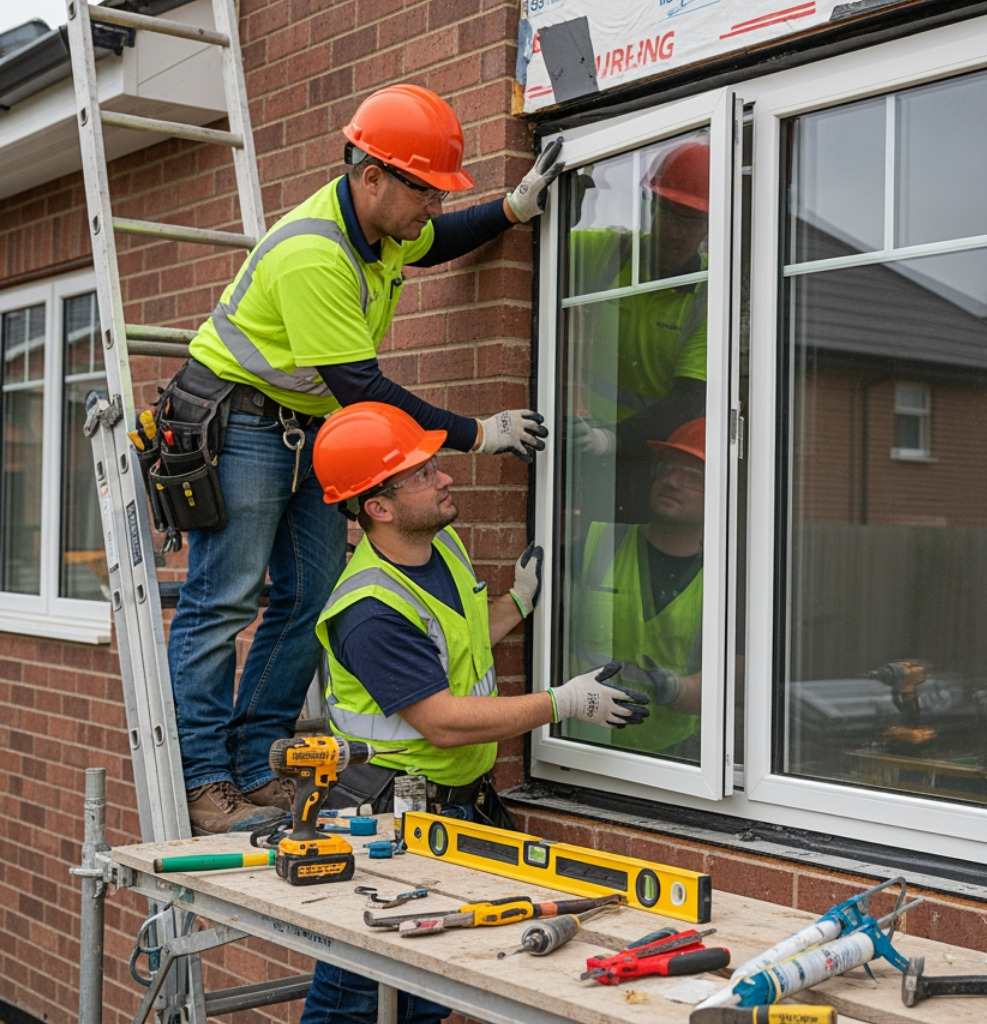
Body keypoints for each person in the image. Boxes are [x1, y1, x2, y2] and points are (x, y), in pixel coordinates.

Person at [167, 83, 565, 835]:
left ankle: (258, 767)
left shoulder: (381, 227)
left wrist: (511, 209)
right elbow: (363, 389)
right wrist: (477, 433)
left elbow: (435, 243)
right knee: (223, 603)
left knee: (309, 597)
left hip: (305, 432)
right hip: (242, 423)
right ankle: (205, 780)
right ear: (370, 175)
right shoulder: (315, 254)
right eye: (424, 190)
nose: (433, 207)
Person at [300, 402, 650, 1024]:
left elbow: (460, 640)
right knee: (357, 1002)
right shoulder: (370, 609)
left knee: (431, 995)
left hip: (450, 806)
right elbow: (439, 718)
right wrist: (562, 704)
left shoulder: (443, 546)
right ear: (377, 507)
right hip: (388, 821)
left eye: (437, 465)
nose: (447, 478)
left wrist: (517, 602)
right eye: (424, 474)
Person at [566, 135, 710, 520]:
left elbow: (690, 399)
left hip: (658, 454)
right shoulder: (613, 254)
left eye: (692, 221)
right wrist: (566, 203)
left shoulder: (709, 293)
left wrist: (611, 439)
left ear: (709, 228)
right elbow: (542, 249)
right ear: (652, 208)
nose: (678, 232)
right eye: (670, 214)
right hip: (590, 446)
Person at [569, 418, 706, 760]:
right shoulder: (597, 544)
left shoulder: (723, 580)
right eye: (667, 468)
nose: (672, 481)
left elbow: (732, 684)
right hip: (577, 744)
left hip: (671, 758)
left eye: (693, 477)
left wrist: (674, 689)